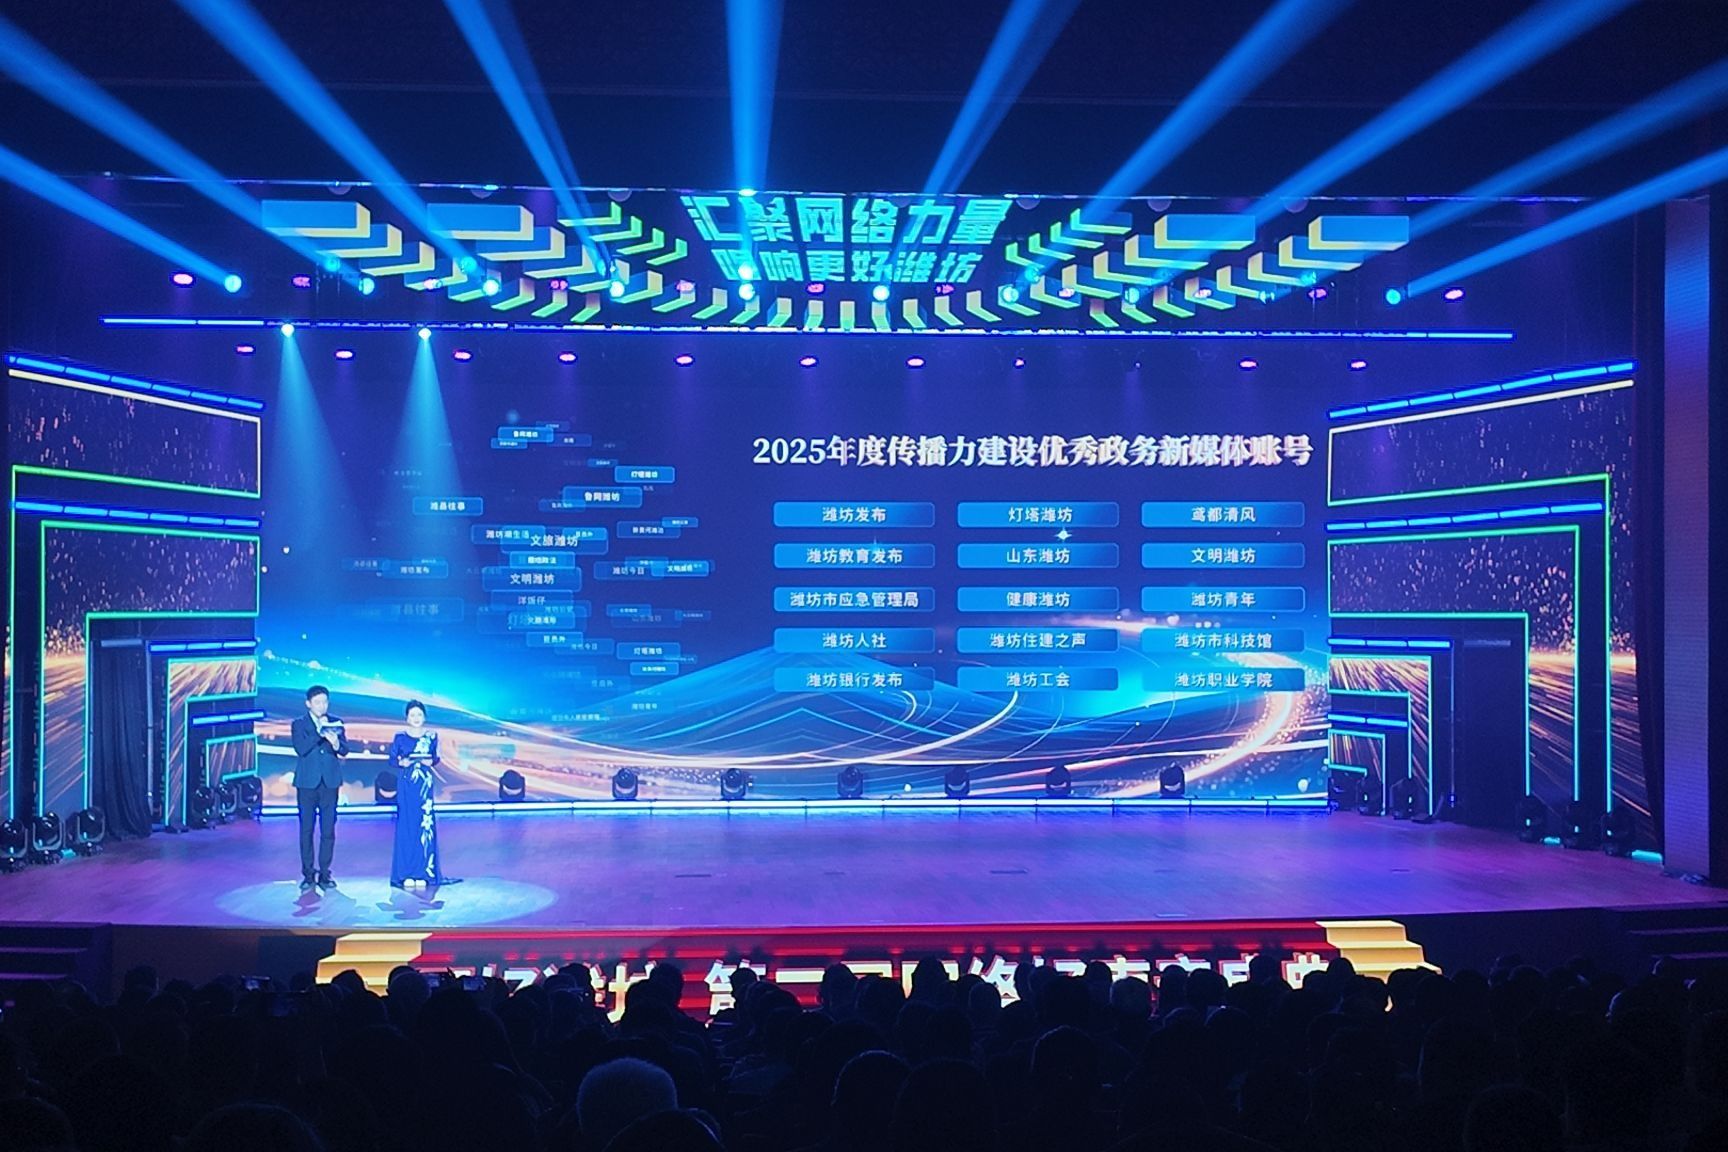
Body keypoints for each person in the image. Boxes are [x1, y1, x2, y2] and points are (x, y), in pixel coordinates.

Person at [388, 700, 458, 888]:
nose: (416, 718)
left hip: (424, 786)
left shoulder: (431, 736)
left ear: (424, 717)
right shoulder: (400, 737)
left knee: (424, 827)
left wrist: (431, 761)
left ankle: (424, 873)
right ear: (406, 718)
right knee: (407, 827)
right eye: (412, 715)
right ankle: (406, 873)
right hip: (407, 784)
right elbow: (392, 759)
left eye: (419, 714)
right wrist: (402, 763)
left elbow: (435, 757)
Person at [290, 685, 348, 894]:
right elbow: (301, 749)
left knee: (328, 830)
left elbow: (345, 750)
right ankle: (308, 874)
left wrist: (335, 743)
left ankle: (325, 873)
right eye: (317, 702)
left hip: (329, 783)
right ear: (308, 704)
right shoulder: (299, 724)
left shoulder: (336, 723)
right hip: (307, 783)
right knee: (306, 829)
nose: (322, 706)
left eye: (325, 702)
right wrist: (320, 732)